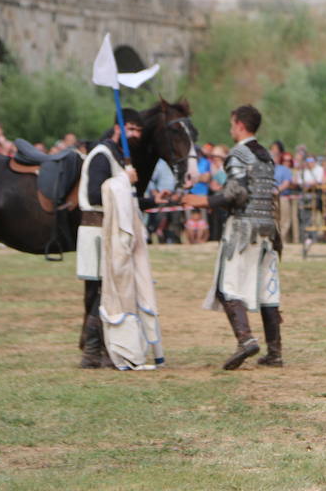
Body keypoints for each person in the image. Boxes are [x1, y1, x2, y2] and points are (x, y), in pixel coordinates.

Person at [183, 105, 283, 369]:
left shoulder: (238, 154)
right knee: (266, 292)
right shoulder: (267, 156)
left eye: (231, 124)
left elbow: (234, 195)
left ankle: (246, 340)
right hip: (267, 229)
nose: (230, 130)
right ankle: (275, 352)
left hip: (241, 229)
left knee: (227, 286)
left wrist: (202, 200)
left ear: (239, 124)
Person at [76, 109, 168, 369]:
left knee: (110, 291)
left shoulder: (117, 157)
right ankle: (93, 351)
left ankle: (102, 349)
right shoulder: (102, 156)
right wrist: (122, 179)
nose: (135, 135)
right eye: (131, 129)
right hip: (97, 232)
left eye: (139, 130)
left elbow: (125, 200)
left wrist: (151, 200)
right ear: (118, 128)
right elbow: (96, 195)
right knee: (102, 292)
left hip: (112, 232)